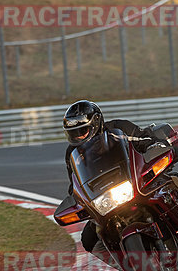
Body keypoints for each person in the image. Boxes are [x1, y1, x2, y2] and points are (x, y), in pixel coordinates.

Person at [62, 99, 155, 256]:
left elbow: (145, 139)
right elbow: (75, 185)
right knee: (89, 239)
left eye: (82, 131)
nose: (78, 137)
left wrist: (155, 144)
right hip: (104, 199)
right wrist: (78, 199)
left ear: (96, 124)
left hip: (137, 181)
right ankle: (130, 269)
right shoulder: (72, 153)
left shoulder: (119, 128)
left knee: (173, 181)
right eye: (74, 134)